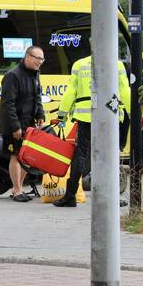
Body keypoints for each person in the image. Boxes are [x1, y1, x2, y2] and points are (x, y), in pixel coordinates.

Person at [53, 54, 131, 208]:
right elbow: (125, 91)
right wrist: (134, 113)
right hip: (109, 117)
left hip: (85, 116)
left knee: (80, 155)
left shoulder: (79, 64)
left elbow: (70, 91)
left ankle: (70, 196)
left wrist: (62, 116)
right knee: (109, 155)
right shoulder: (117, 65)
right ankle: (112, 197)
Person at [0, 45, 46, 202]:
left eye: (42, 59)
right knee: (15, 155)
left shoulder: (35, 74)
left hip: (29, 123)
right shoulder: (13, 76)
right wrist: (15, 127)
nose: (40, 62)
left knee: (26, 156)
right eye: (38, 58)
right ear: (28, 56)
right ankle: (17, 190)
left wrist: (40, 114)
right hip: (14, 124)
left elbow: (37, 97)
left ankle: (16, 188)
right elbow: (8, 104)